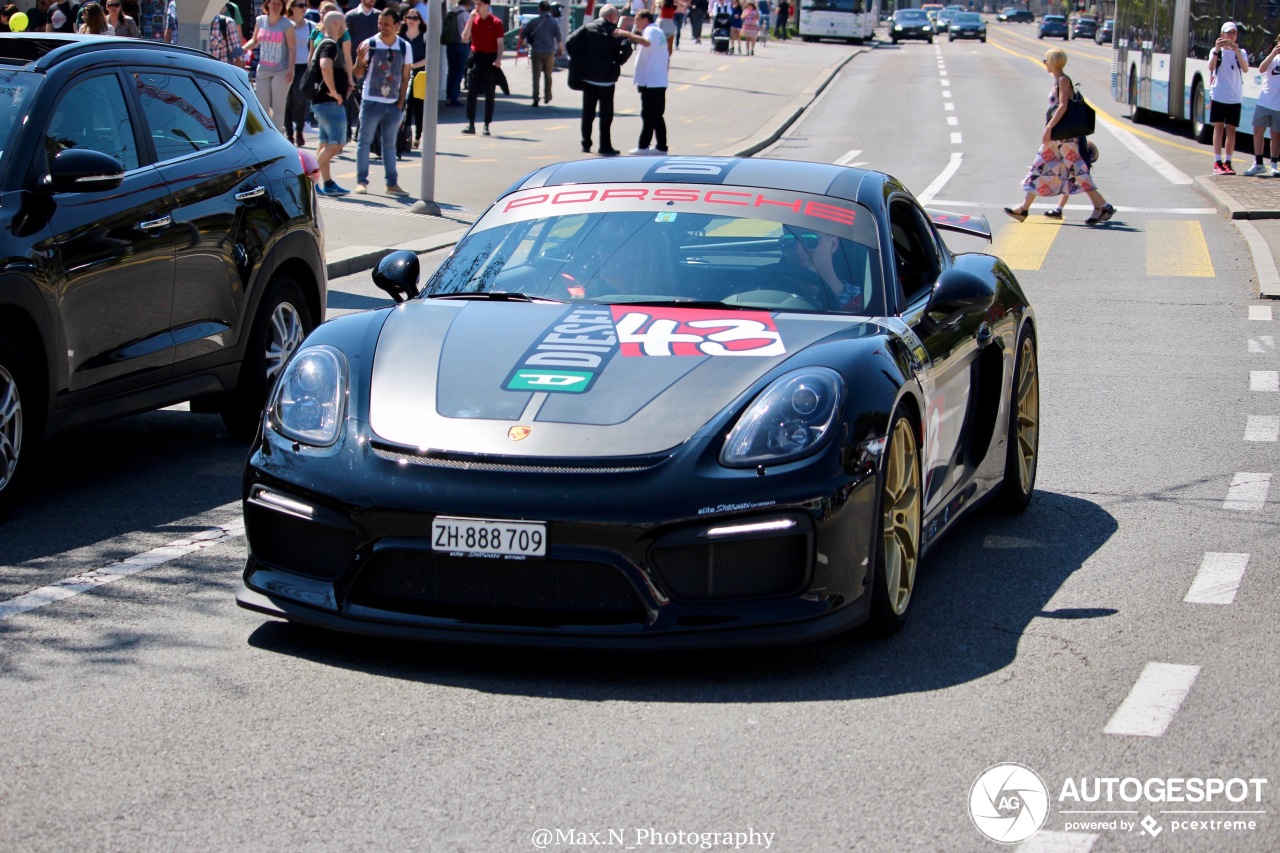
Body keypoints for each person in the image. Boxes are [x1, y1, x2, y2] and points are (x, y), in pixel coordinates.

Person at [1004, 48, 1114, 225]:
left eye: (1046, 60)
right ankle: (1024, 208)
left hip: (1065, 139)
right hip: (1059, 139)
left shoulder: (1063, 80)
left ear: (1053, 62)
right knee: (1043, 169)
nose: (1044, 63)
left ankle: (1102, 205)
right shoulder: (1058, 80)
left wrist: (1048, 128)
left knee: (1070, 172)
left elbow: (1063, 106)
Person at [352, 7, 412, 195]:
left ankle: (391, 183)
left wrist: (401, 102)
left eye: (386, 24)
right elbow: (358, 74)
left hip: (393, 103)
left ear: (396, 25)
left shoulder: (404, 46)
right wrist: (360, 60)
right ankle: (362, 181)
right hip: (371, 100)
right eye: (379, 23)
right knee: (364, 141)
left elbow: (405, 76)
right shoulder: (370, 44)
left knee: (390, 145)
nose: (382, 27)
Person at [565, 4, 633, 156]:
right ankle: (605, 145)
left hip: (589, 77)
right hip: (607, 79)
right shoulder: (614, 31)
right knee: (606, 115)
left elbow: (570, 42)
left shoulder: (586, 28)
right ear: (611, 17)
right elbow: (627, 48)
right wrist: (619, 60)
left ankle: (586, 143)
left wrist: (579, 59)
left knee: (588, 112)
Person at [311, 12, 350, 195]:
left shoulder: (324, 43)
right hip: (329, 103)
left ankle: (327, 184)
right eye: (343, 24)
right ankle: (307, 179)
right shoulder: (330, 44)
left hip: (322, 102)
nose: (345, 28)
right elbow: (325, 66)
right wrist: (335, 92)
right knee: (337, 143)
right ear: (336, 24)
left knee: (325, 143)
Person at [619, 9, 667, 154]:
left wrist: (627, 34)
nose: (635, 23)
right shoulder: (657, 31)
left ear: (645, 20)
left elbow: (646, 43)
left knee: (648, 114)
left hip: (650, 81)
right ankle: (661, 146)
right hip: (658, 79)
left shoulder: (651, 31)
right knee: (657, 115)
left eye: (637, 20)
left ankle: (643, 146)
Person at [244, 0, 296, 134]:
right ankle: (264, 133)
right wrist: (241, 50)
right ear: (267, 4)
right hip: (263, 69)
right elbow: (255, 41)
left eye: (279, 4)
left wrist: (290, 69)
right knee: (261, 105)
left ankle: (277, 134)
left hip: (281, 70)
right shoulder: (260, 21)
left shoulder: (286, 24)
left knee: (278, 106)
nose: (276, 6)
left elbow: (292, 48)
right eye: (274, 3)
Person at [1210, 21, 1249, 174]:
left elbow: (1245, 69)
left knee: (1231, 130)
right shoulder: (1215, 50)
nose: (1231, 36)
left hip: (1235, 97)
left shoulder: (1242, 52)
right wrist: (1217, 49)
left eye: (1234, 33)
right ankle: (1217, 161)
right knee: (1218, 128)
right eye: (1228, 33)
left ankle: (1228, 161)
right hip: (1219, 95)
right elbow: (1211, 67)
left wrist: (1237, 51)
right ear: (1222, 35)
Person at [461, 0, 504, 135]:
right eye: (475, 4)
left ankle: (486, 124)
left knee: (489, 93)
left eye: (479, 4)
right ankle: (471, 123)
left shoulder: (496, 22)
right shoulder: (474, 20)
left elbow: (500, 43)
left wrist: (498, 58)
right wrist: (470, 19)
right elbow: (465, 38)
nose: (476, 7)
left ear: (486, 5)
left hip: (489, 59)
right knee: (471, 93)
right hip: (476, 57)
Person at [345, 0, 381, 142]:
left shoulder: (379, 16)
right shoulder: (351, 16)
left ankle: (360, 132)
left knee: (367, 100)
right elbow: (347, 42)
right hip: (354, 63)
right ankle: (346, 132)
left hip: (375, 64)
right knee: (348, 98)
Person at [1245, 34, 1280, 177]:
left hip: (1278, 105)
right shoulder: (1274, 58)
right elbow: (1261, 69)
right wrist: (1273, 53)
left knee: (1276, 134)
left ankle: (1274, 164)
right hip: (1264, 100)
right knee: (1258, 131)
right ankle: (1258, 163)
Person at [519, 0, 563, 108]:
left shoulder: (533, 22)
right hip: (549, 52)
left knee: (536, 77)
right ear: (549, 10)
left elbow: (522, 34)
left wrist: (525, 44)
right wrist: (560, 49)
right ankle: (547, 96)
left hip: (536, 51)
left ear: (539, 9)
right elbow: (558, 38)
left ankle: (535, 99)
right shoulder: (553, 22)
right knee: (548, 75)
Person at [400, 7, 427, 148]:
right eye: (409, 17)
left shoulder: (424, 35)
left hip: (420, 74)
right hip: (403, 73)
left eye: (415, 18)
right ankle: (406, 135)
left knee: (418, 106)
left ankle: (418, 135)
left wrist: (414, 66)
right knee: (406, 105)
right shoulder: (400, 35)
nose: (411, 20)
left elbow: (429, 57)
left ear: (419, 21)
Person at [443, 0, 471, 107]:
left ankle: (448, 96)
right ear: (467, 4)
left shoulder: (451, 13)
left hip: (451, 45)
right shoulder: (465, 15)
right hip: (462, 45)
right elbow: (469, 31)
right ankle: (453, 97)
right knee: (459, 71)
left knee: (451, 71)